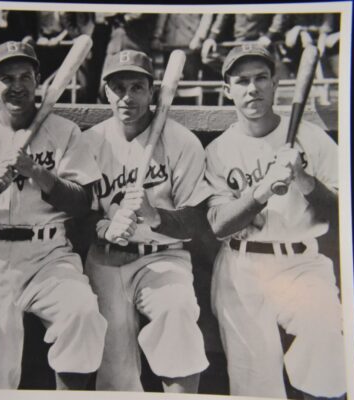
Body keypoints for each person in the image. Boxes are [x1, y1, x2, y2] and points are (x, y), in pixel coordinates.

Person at [0, 41, 106, 389]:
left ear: (38, 82)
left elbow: (82, 203)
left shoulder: (64, 132)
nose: (16, 85)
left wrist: (37, 173)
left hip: (49, 254)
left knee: (81, 313)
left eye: (25, 76)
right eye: (6, 77)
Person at [204, 44, 346, 399]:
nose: (252, 88)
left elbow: (346, 211)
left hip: (301, 265)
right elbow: (219, 224)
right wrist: (261, 191)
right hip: (241, 267)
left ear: (274, 84)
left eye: (260, 78)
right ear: (228, 90)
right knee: (255, 384)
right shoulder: (218, 150)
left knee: (326, 340)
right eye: (241, 81)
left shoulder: (312, 139)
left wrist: (303, 177)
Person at [83, 50, 210, 393]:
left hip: (163, 256)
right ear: (105, 92)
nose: (127, 97)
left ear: (152, 92)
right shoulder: (90, 142)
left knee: (177, 314)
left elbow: (197, 221)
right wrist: (103, 227)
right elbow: (77, 213)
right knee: (114, 371)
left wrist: (156, 217)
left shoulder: (182, 142)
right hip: (106, 259)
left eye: (137, 87)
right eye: (118, 87)